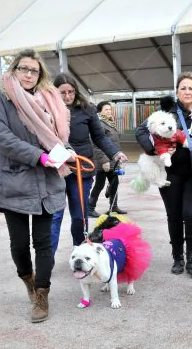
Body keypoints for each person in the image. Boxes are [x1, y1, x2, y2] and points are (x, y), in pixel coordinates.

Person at [0, 49, 74, 323]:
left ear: (40, 74)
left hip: (49, 181)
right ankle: (28, 279)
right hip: (16, 179)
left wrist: (65, 151)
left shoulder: (50, 98)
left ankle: (42, 294)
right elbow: (1, 137)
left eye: (33, 70)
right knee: (20, 245)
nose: (28, 74)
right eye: (23, 69)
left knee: (45, 243)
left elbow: (58, 137)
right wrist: (39, 156)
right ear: (14, 69)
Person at [136, 72, 192, 278]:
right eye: (183, 88)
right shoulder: (167, 111)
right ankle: (177, 258)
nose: (187, 91)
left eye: (191, 88)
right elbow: (141, 131)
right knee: (174, 216)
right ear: (177, 92)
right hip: (170, 172)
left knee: (191, 215)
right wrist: (154, 150)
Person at [50, 73, 127, 255]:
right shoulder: (47, 109)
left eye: (71, 92)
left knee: (79, 216)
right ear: (55, 92)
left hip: (81, 170)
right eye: (63, 93)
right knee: (54, 217)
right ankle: (47, 260)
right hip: (56, 170)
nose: (68, 96)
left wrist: (115, 153)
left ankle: (80, 251)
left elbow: (99, 137)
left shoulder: (87, 109)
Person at [89, 101, 127, 217]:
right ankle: (90, 208)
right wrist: (104, 160)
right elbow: (96, 144)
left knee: (114, 183)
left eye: (110, 110)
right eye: (106, 110)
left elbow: (113, 142)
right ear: (100, 111)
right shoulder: (99, 124)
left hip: (113, 161)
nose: (109, 112)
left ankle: (113, 207)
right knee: (99, 185)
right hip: (104, 162)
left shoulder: (110, 123)